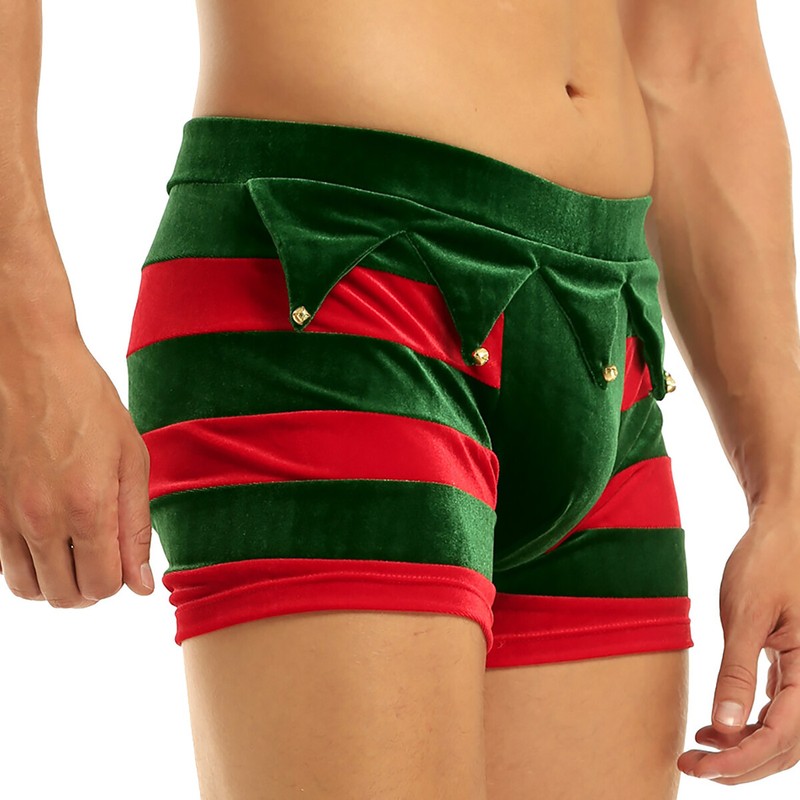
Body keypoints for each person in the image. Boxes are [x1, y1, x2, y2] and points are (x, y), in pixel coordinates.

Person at [1, 0, 798, 797]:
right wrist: (25, 336)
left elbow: (697, 56)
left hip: (603, 332)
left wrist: (787, 488)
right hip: (330, 271)